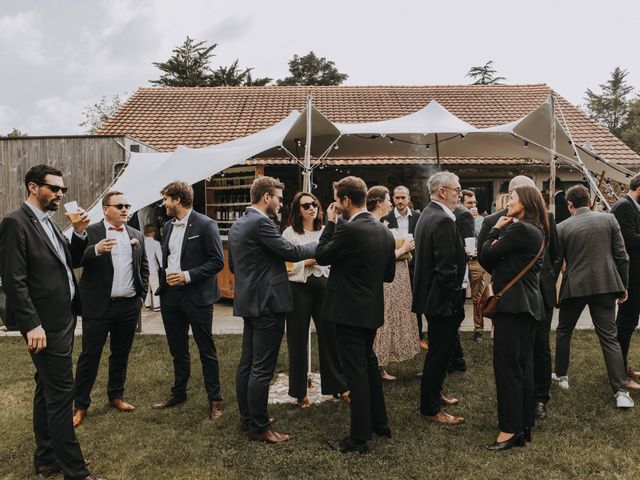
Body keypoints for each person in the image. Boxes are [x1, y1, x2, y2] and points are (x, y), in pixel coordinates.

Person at [0, 164, 103, 479]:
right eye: (54, 188)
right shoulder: (15, 223)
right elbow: (13, 280)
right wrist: (32, 324)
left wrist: (81, 233)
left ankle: (46, 458)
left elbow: (68, 261)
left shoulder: (49, 222)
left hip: (63, 319)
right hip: (43, 326)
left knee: (47, 389)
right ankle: (76, 471)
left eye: (63, 190)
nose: (60, 194)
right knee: (61, 396)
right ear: (33, 187)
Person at [229, 176, 316, 443]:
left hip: (250, 301)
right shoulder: (261, 223)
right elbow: (291, 251)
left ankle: (248, 419)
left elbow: (234, 266)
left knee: (248, 363)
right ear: (266, 197)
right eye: (278, 198)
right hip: (268, 303)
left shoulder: (239, 223)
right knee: (262, 369)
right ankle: (259, 427)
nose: (280, 203)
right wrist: (324, 244)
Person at [316, 176, 396, 454]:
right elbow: (388, 275)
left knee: (356, 373)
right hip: (371, 309)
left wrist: (330, 222)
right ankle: (380, 423)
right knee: (369, 365)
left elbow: (322, 255)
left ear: (345, 201)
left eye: (337, 199)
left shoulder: (348, 230)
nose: (336, 205)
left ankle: (359, 438)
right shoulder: (385, 232)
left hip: (348, 311)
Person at [479, 175, 559, 421]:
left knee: (539, 347)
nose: (509, 200)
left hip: (536, 292)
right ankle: (524, 409)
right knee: (519, 356)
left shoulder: (543, 221)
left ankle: (539, 399)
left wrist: (545, 278)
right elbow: (487, 256)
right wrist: (506, 274)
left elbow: (556, 253)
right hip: (514, 293)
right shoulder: (497, 220)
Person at [552, 185, 636, 408]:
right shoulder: (609, 220)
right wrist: (623, 286)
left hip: (575, 287)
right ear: (589, 201)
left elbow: (557, 262)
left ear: (570, 205)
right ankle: (620, 391)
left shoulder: (561, 227)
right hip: (605, 285)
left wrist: (550, 289)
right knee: (609, 337)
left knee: (563, 332)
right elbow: (622, 256)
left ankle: (561, 376)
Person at [72, 192, 149, 428]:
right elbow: (74, 259)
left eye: (127, 205)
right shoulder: (92, 231)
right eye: (120, 206)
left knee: (120, 353)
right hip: (99, 305)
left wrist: (140, 296)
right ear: (106, 209)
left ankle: (116, 395)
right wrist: (95, 250)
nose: (125, 209)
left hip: (127, 306)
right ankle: (80, 405)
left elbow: (143, 266)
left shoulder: (135, 234)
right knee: (89, 356)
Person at [152, 181, 225, 422]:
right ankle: (178, 393)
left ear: (177, 199)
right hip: (171, 295)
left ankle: (215, 399)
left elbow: (217, 261)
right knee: (177, 349)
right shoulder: (170, 226)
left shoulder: (206, 225)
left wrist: (188, 275)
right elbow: (170, 257)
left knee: (206, 349)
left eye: (165, 199)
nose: (163, 204)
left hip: (197, 296)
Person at [282, 192, 347, 408]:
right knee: (298, 339)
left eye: (314, 204)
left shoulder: (325, 231)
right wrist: (304, 263)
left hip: (325, 288)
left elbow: (337, 254)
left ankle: (337, 385)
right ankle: (300, 392)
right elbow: (283, 264)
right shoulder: (289, 233)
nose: (311, 208)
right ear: (297, 210)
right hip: (299, 289)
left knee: (331, 337)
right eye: (306, 205)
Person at [413, 171, 467, 427]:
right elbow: (446, 268)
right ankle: (430, 407)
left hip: (431, 297)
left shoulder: (427, 213)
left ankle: (435, 394)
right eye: (457, 189)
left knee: (440, 352)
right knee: (438, 354)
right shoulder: (443, 220)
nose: (460, 193)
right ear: (442, 192)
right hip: (442, 300)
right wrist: (456, 299)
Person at [366, 186, 419, 381]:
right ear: (379, 202)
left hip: (396, 278)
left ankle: (379, 364)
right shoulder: (375, 225)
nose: (392, 203)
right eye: (389, 199)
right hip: (384, 281)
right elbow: (380, 258)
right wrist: (403, 248)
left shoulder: (379, 223)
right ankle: (377, 365)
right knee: (382, 322)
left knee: (387, 321)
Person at [381, 186, 425, 349]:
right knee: (394, 303)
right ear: (393, 198)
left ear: (408, 198)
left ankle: (418, 335)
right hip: (396, 265)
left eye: (403, 198)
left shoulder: (418, 217)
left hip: (415, 265)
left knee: (416, 301)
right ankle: (394, 336)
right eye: (397, 197)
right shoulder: (385, 219)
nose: (400, 201)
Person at [612, 173, 640, 380]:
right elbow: (628, 240)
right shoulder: (624, 207)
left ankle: (624, 368)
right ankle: (619, 372)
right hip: (631, 277)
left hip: (636, 275)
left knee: (629, 323)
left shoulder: (633, 207)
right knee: (625, 324)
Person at [461, 190, 487, 342]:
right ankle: (455, 327)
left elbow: (482, 238)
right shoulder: (456, 217)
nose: (473, 206)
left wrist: (475, 220)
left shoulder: (481, 220)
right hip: (461, 261)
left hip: (476, 261)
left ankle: (478, 330)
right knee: (458, 296)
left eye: (474, 203)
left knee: (478, 297)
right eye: (469, 203)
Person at [143, 224, 162, 311]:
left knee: (146, 287)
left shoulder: (142, 242)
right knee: (155, 286)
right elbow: (159, 256)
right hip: (153, 268)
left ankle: (147, 304)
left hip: (144, 268)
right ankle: (157, 305)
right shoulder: (156, 243)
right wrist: (162, 266)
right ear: (153, 232)